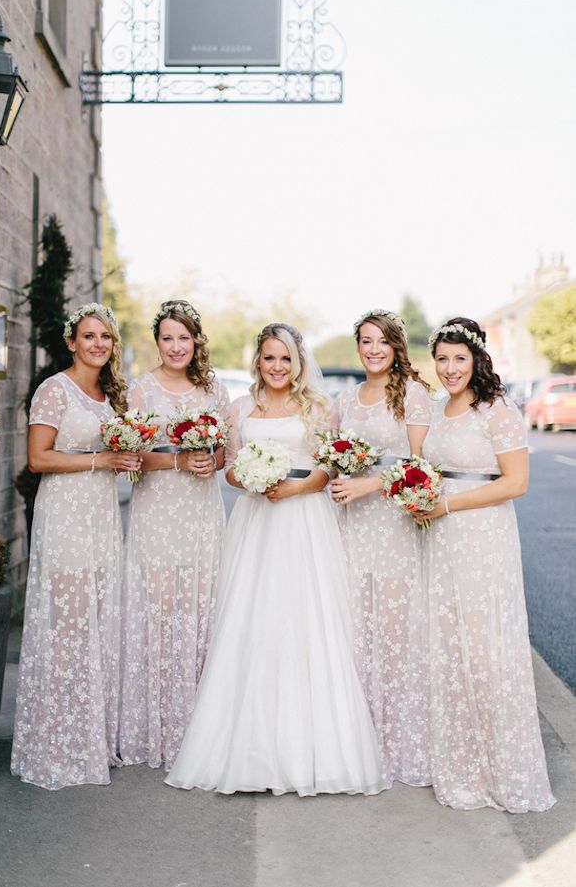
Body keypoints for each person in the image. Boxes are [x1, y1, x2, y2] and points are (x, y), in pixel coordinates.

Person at [165, 323, 385, 797]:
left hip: (305, 519)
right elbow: (229, 469)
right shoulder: (240, 407)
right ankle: (247, 750)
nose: (278, 366)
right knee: (254, 621)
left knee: (305, 622)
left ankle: (316, 752)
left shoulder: (320, 407)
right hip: (256, 523)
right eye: (269, 358)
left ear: (298, 362)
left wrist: (300, 486)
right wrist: (254, 481)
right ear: (258, 362)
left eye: (285, 358)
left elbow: (329, 463)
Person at [416, 317, 555, 812]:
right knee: (449, 646)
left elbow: (515, 482)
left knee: (483, 649)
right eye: (442, 358)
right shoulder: (437, 408)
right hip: (439, 537)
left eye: (459, 358)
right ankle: (463, 763)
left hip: (480, 537)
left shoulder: (496, 409)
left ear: (476, 360)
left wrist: (448, 504)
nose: (449, 368)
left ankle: (503, 768)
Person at [11, 303, 140, 789]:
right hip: (65, 515)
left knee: (97, 622)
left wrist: (123, 458)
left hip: (101, 516)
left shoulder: (109, 395)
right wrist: (100, 458)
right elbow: (38, 458)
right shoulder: (54, 389)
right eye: (89, 336)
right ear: (72, 342)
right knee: (67, 625)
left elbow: (112, 454)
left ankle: (90, 736)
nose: (98, 344)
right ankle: (58, 742)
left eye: (106, 337)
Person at [117, 300, 230, 770]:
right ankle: (156, 726)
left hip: (202, 512)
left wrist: (211, 460)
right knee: (159, 609)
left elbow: (224, 451)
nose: (176, 346)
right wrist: (180, 459)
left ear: (195, 341)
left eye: (184, 338)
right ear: (157, 342)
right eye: (167, 338)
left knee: (200, 608)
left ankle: (197, 730)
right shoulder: (140, 390)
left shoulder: (213, 389)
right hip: (159, 511)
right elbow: (131, 455)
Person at [329, 310, 432, 787]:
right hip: (351, 528)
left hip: (392, 525)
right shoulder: (345, 398)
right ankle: (359, 741)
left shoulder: (412, 394)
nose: (372, 350)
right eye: (365, 341)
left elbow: (418, 465)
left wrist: (368, 485)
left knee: (393, 630)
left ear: (396, 346)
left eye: (381, 342)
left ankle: (397, 742)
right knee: (356, 630)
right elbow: (329, 456)